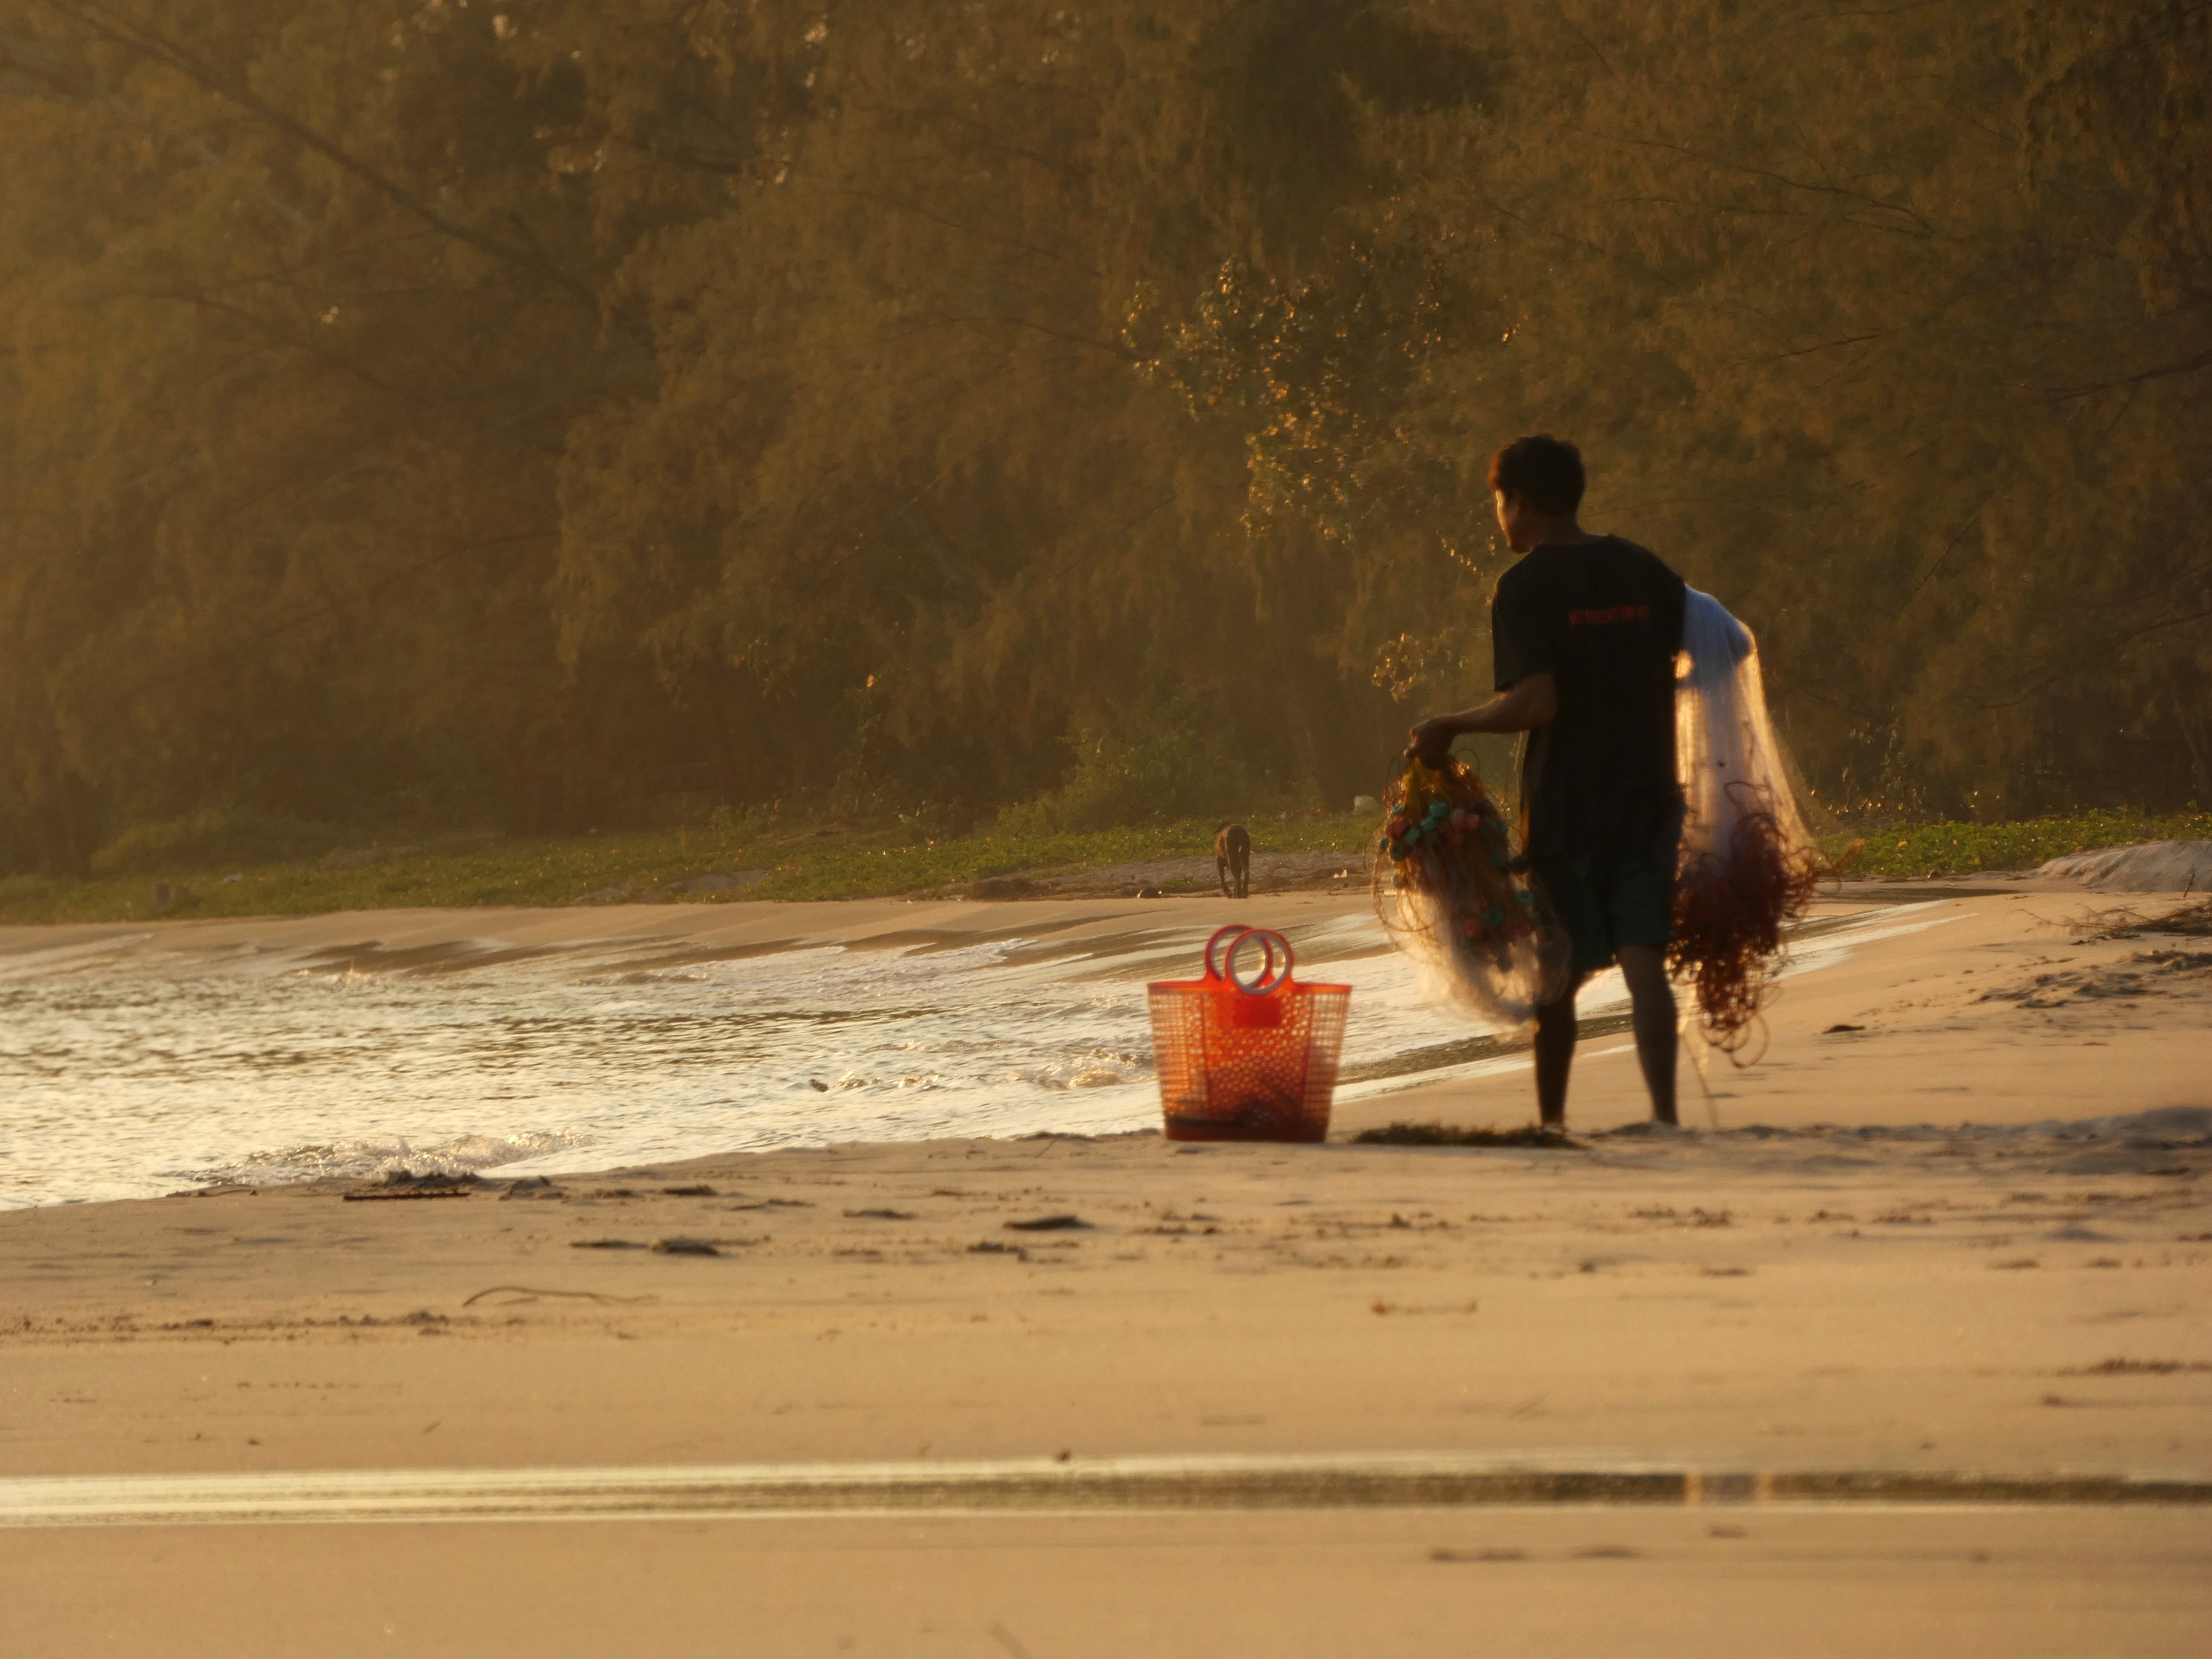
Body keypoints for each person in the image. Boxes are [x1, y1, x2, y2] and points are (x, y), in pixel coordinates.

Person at [1409, 434, 1687, 1129]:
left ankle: (1553, 1124)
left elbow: (1537, 701)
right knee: (1642, 954)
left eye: (1499, 501)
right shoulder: (1644, 570)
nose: (1499, 515)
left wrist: (1451, 724)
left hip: (1568, 807)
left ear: (1523, 502)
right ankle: (1665, 1116)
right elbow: (1701, 651)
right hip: (1649, 793)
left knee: (1556, 974)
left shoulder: (1524, 587)